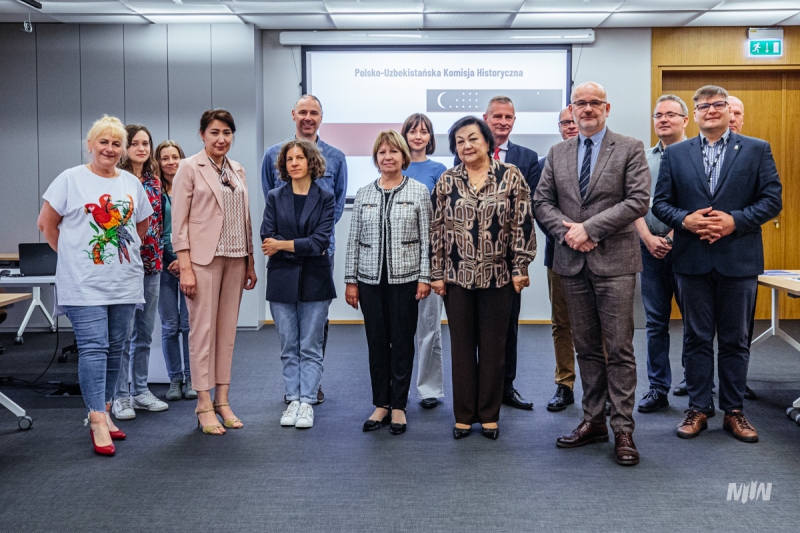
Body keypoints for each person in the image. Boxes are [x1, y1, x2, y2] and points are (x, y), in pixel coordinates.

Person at [653, 85, 782, 443]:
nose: (711, 110)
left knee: (735, 339)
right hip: (691, 260)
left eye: (718, 104)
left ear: (729, 111)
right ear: (694, 114)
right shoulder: (676, 154)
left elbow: (772, 200)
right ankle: (697, 408)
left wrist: (734, 221)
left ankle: (735, 411)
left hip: (738, 259)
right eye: (704, 106)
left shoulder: (756, 150)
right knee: (695, 337)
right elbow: (661, 203)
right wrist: (686, 221)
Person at [534, 82, 650, 466]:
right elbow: (541, 201)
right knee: (585, 348)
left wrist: (590, 228)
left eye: (593, 103)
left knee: (618, 348)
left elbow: (637, 200)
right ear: (572, 108)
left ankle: (623, 429)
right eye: (580, 103)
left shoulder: (630, 148)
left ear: (607, 107)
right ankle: (593, 420)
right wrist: (570, 232)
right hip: (571, 262)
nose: (586, 109)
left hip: (614, 262)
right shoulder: (558, 152)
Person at [37, 115, 153, 456]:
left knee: (116, 347)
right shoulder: (70, 179)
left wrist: (124, 251)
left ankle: (103, 406)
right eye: (103, 142)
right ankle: (97, 418)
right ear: (90, 145)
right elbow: (47, 224)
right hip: (83, 285)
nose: (110, 148)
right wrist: (74, 257)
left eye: (117, 143)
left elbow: (142, 224)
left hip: (124, 281)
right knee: (94, 347)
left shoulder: (131, 183)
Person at [432, 116, 535, 440]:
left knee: (494, 347)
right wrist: (437, 273)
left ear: (488, 142)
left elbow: (522, 223)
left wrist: (520, 266)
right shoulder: (447, 181)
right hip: (457, 278)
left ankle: (489, 415)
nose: (466, 145)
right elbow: (438, 229)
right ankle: (464, 415)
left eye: (473, 138)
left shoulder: (511, 176)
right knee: (461, 348)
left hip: (499, 277)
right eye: (460, 141)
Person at [172, 109, 258, 435]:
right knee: (202, 332)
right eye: (214, 132)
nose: (221, 139)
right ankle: (203, 403)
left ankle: (223, 399)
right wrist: (185, 268)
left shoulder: (238, 170)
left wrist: (250, 260)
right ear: (202, 134)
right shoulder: (188, 167)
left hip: (236, 258)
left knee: (227, 333)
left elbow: (246, 218)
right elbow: (178, 223)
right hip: (203, 261)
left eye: (227, 132)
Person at [454, 96, 541, 410]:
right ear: (485, 119)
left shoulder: (527, 159)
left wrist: (519, 261)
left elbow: (525, 212)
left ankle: (505, 387)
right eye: (497, 116)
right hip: (466, 264)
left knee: (506, 329)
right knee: (469, 333)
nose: (503, 121)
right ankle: (475, 392)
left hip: (505, 265)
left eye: (509, 117)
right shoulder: (463, 156)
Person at [261, 94, 347, 405]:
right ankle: (294, 389)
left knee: (314, 325)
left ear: (321, 117)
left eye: (314, 112)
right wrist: (300, 239)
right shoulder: (273, 154)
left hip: (321, 254)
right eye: (302, 112)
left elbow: (335, 207)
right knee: (289, 332)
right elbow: (272, 207)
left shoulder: (336, 157)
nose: (308, 117)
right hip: (285, 264)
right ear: (293, 114)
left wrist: (295, 241)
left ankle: (312, 385)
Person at [344, 130, 431, 436]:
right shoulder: (365, 193)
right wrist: (350, 281)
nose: (388, 157)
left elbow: (426, 240)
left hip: (406, 280)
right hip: (369, 281)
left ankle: (398, 406)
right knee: (377, 343)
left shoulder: (419, 191)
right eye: (382, 152)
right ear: (376, 158)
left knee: (402, 342)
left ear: (403, 156)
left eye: (394, 151)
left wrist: (424, 277)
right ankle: (381, 403)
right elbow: (353, 241)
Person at [262, 140, 336, 429]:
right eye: (289, 158)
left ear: (311, 162)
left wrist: (283, 244)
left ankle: (307, 401)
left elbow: (320, 243)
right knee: (288, 345)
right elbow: (266, 236)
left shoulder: (325, 197)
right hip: (281, 279)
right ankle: (293, 399)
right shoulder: (274, 196)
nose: (294, 163)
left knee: (310, 345)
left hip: (315, 278)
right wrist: (287, 244)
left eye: (300, 158)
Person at [634, 95, 688, 413]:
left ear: (685, 119)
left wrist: (669, 236)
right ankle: (658, 388)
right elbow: (633, 202)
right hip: (647, 248)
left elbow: (700, 203)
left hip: (687, 249)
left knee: (695, 322)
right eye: (658, 114)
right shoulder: (642, 158)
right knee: (655, 323)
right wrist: (647, 237)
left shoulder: (698, 157)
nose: (663, 119)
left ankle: (698, 384)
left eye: (671, 114)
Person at [112, 124, 169, 419]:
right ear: (124, 147)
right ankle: (121, 395)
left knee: (145, 333)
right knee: (123, 333)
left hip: (151, 265)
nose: (142, 148)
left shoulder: (154, 181)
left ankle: (140, 390)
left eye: (146, 143)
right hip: (123, 266)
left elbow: (159, 223)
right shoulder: (115, 180)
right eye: (135, 143)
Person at [400, 113, 447, 410]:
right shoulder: (394, 164)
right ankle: (396, 387)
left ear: (431, 137)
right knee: (398, 329)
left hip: (429, 257)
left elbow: (443, 217)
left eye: (424, 131)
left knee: (429, 326)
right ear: (403, 135)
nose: (418, 136)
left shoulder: (439, 169)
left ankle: (429, 388)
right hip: (396, 259)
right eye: (412, 131)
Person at [540, 107, 579, 412]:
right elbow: (541, 208)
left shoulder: (609, 158)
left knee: (603, 325)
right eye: (565, 122)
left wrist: (591, 233)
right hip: (560, 254)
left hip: (603, 252)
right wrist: (567, 235)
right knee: (561, 323)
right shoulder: (547, 162)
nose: (571, 125)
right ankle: (564, 384)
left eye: (575, 121)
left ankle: (601, 386)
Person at [155, 140, 196, 401]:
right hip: (163, 264)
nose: (171, 162)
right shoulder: (153, 191)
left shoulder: (192, 188)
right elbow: (151, 231)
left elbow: (199, 226)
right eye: (165, 158)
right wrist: (171, 258)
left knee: (189, 325)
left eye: (175, 157)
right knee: (170, 327)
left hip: (191, 263)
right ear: (158, 163)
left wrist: (184, 260)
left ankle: (193, 378)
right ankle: (175, 379)